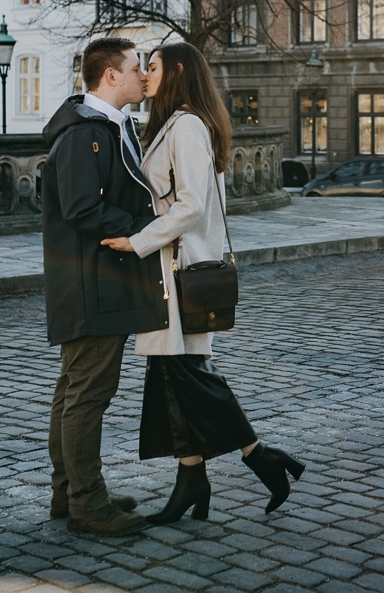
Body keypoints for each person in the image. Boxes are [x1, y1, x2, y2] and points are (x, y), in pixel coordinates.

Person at [101, 41, 304, 525]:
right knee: (173, 378)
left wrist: (138, 241)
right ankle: (193, 479)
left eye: (152, 67)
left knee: (185, 374)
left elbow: (191, 205)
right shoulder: (173, 124)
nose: (145, 75)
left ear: (175, 72)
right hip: (171, 272)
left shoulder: (188, 125)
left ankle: (260, 457)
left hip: (181, 272)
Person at [42, 37, 165, 536]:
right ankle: (87, 505)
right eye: (137, 66)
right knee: (87, 394)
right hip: (90, 281)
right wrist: (146, 225)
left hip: (96, 277)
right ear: (110, 76)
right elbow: (81, 209)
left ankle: (70, 494)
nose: (144, 75)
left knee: (75, 390)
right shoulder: (82, 134)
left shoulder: (112, 127)